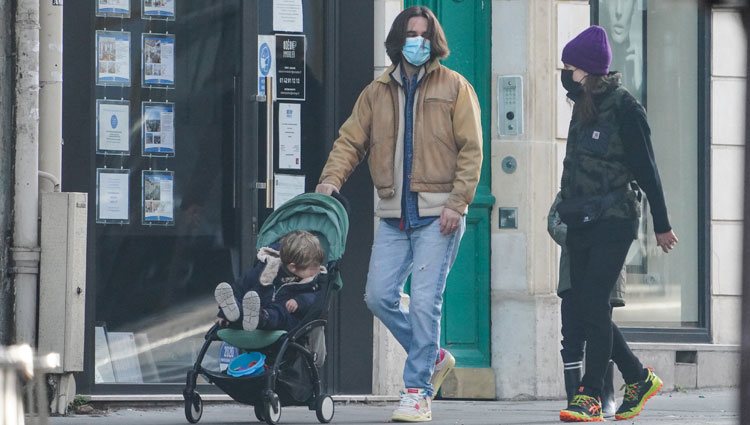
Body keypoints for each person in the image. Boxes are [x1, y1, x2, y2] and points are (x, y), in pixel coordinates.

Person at [315, 6, 482, 422]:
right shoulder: (377, 92)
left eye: (425, 35)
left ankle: (417, 391)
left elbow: (471, 151)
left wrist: (457, 204)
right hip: (393, 214)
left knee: (425, 302)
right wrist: (329, 180)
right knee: (377, 295)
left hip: (438, 213)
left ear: (435, 41)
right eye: (411, 33)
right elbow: (350, 141)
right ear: (397, 38)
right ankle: (435, 355)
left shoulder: (455, 88)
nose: (418, 42)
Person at [557, 26, 679, 422]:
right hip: (581, 220)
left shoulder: (626, 107)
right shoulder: (582, 104)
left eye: (570, 68)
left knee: (594, 301)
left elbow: (648, 169)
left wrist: (661, 223)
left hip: (615, 218)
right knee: (587, 306)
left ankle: (590, 395)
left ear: (589, 71)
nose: (565, 74)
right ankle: (638, 377)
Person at [548, 191, 626, 417]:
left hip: (605, 271)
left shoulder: (618, 186)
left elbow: (624, 226)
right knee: (571, 335)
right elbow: (554, 222)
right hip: (572, 274)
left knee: (600, 333)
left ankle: (605, 396)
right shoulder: (571, 189)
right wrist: (581, 239)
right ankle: (575, 399)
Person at [213, 230, 326, 332]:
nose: (317, 270)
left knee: (280, 314)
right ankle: (232, 312)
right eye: (312, 268)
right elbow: (242, 285)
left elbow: (316, 298)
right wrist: (223, 313)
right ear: (293, 267)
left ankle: (259, 317)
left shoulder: (312, 281)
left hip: (280, 318)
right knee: (244, 300)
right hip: (255, 306)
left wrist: (299, 301)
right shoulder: (268, 267)